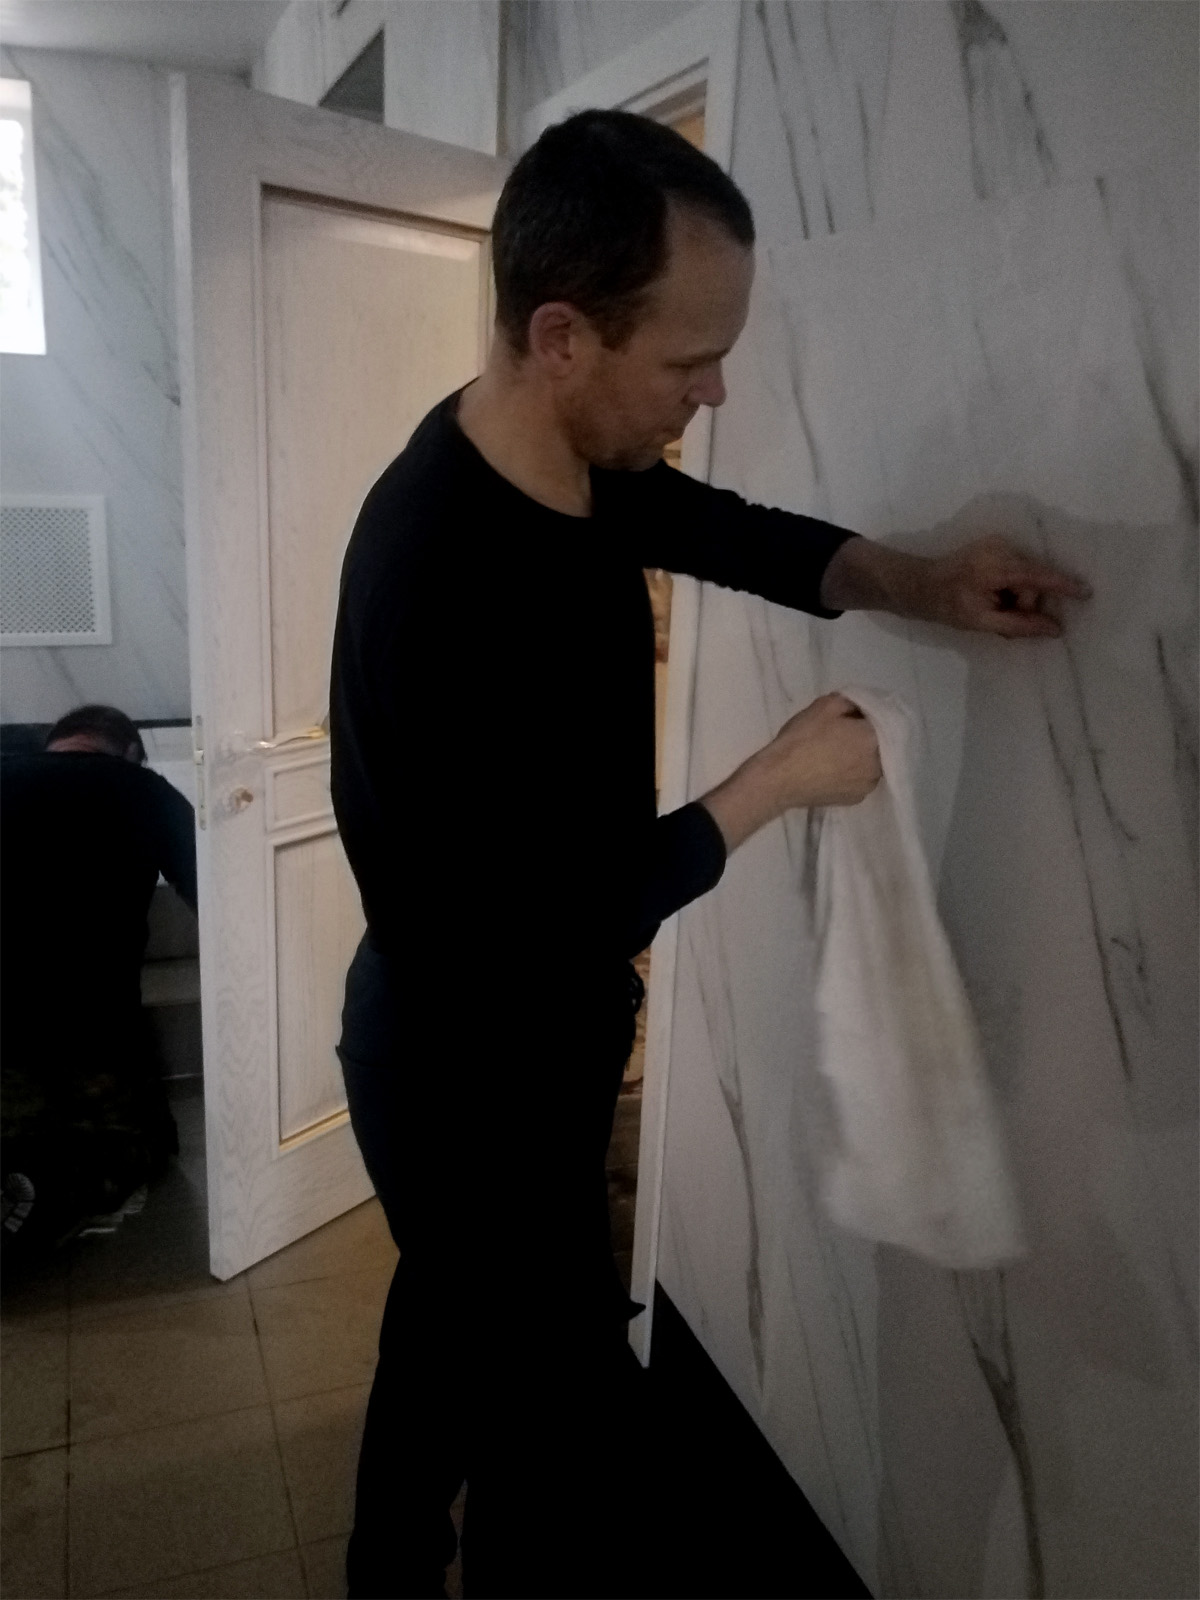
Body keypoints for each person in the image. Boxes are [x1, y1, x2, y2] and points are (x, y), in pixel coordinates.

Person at [329, 110, 1091, 1600]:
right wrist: (773, 784)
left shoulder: (567, 463)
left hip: (524, 1042)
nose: (717, 389)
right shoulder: (441, 570)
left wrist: (924, 581)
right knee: (554, 1434)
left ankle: (383, 1573)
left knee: (440, 1345)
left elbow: (727, 528)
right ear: (563, 336)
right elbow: (541, 920)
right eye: (690, 360)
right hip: (464, 1064)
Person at [0, 704, 198, 1265]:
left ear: (54, 742)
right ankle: (50, 1195)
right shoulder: (145, 791)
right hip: (95, 1041)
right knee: (143, 1145)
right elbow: (219, 897)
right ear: (130, 752)